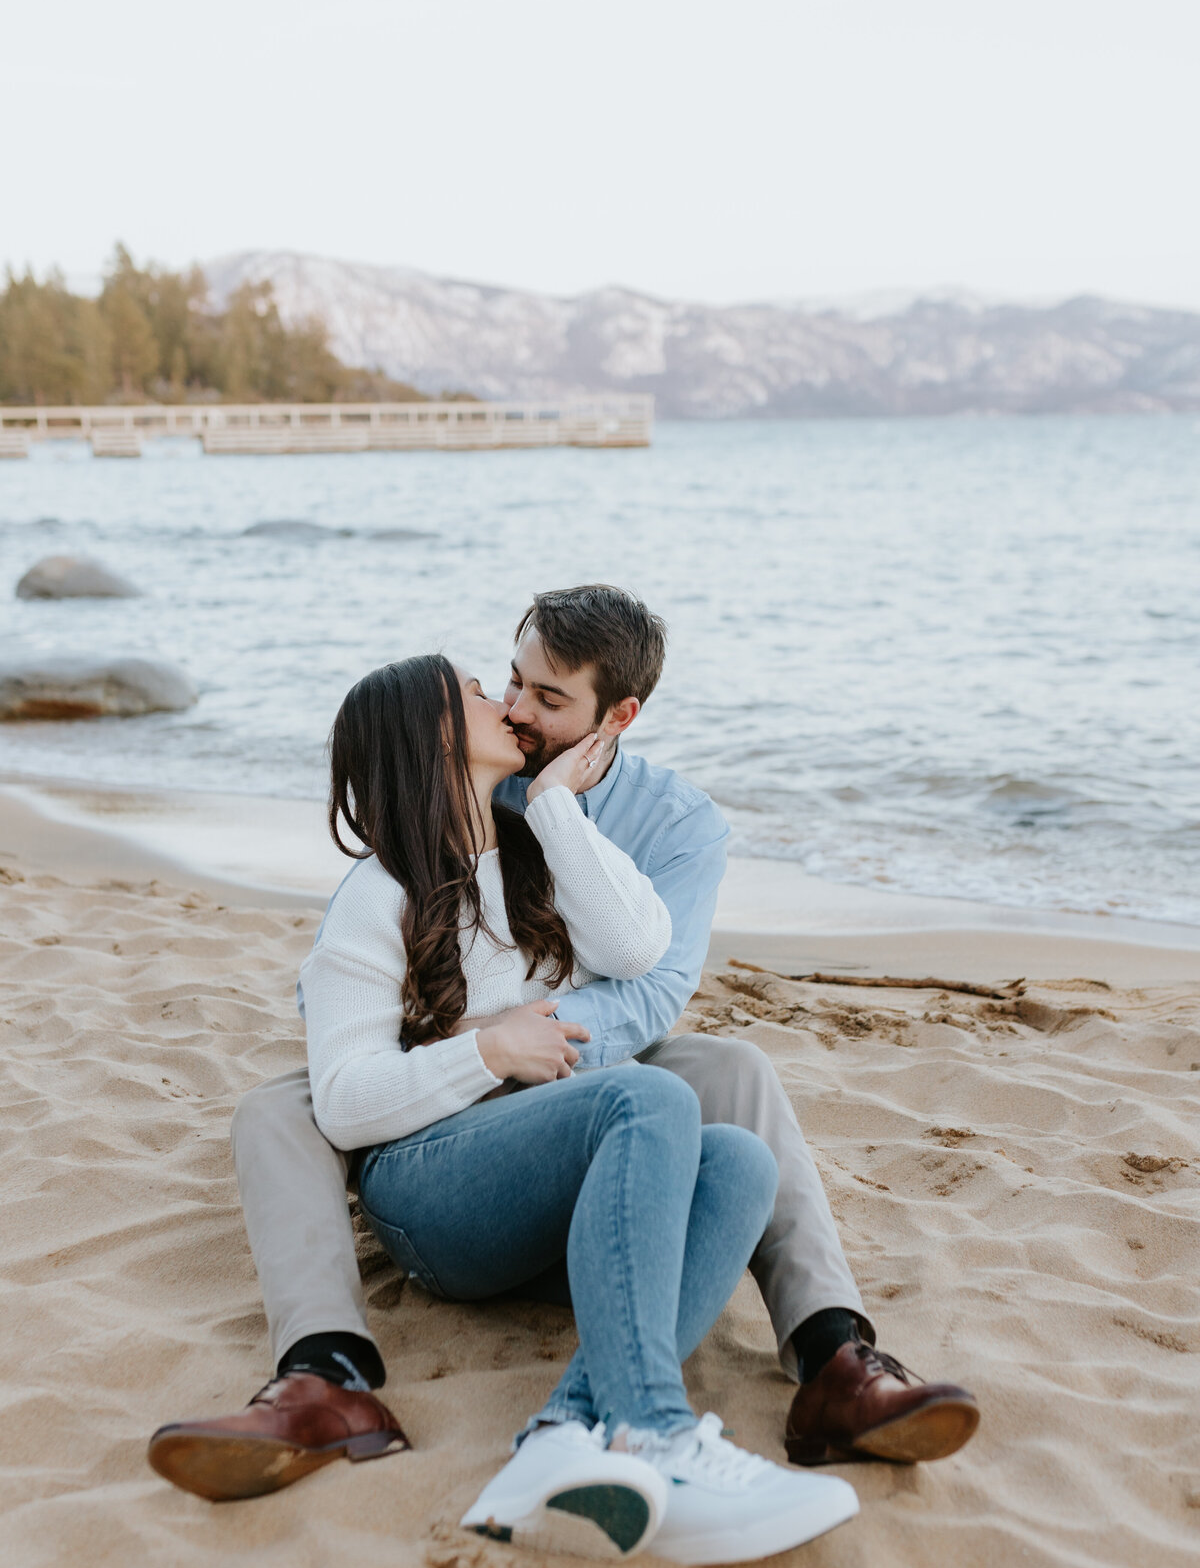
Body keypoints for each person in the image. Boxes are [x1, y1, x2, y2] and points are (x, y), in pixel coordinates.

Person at [149, 586, 978, 1505]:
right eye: (503, 687)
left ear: (615, 715)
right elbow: (342, 1006)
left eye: (546, 700)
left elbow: (649, 973)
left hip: (574, 1098)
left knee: (735, 1141)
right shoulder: (398, 872)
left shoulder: (648, 824)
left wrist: (552, 816)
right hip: (454, 1148)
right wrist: (487, 1048)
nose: (514, 709)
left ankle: (800, 1366)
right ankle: (338, 1374)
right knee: (289, 1102)